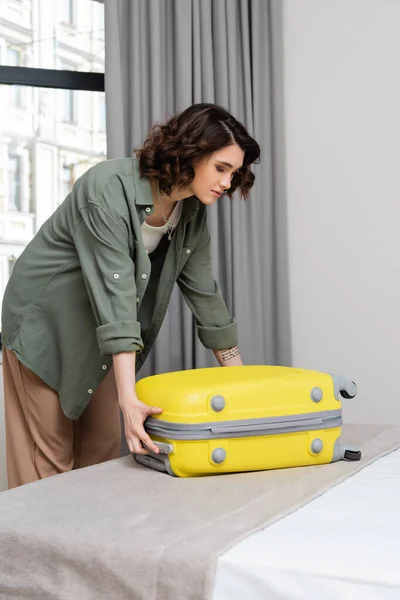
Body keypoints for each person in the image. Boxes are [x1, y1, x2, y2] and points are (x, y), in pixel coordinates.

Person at [1, 103, 260, 488]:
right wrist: (128, 398)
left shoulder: (191, 212)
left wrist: (243, 387)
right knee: (48, 469)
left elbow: (206, 295)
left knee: (101, 462)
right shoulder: (107, 186)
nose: (227, 182)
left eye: (234, 173)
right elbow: (117, 285)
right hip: (45, 326)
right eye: (221, 168)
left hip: (104, 332)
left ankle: (86, 549)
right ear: (190, 151)